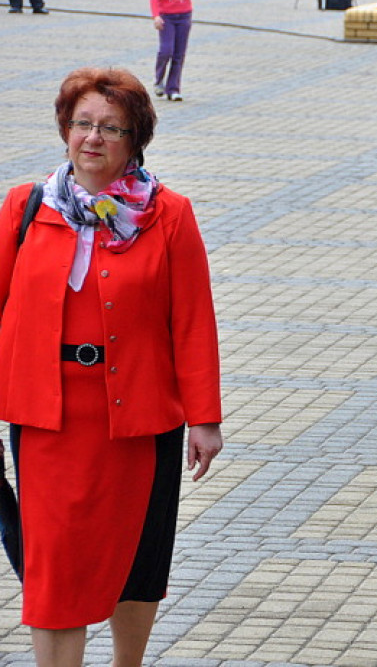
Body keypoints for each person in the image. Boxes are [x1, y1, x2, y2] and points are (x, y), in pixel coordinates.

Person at [0, 66, 223, 667]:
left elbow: (192, 321)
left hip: (139, 421)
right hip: (47, 421)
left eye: (111, 128)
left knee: (137, 559)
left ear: (135, 139)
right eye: (82, 123)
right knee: (53, 573)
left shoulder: (168, 214)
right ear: (65, 130)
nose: (93, 138)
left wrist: (205, 418)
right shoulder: (26, 207)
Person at [150, 0, 199, 103]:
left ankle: (174, 88)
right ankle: (159, 79)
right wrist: (156, 16)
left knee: (179, 53)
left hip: (184, 15)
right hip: (167, 17)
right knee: (166, 50)